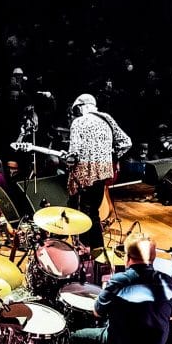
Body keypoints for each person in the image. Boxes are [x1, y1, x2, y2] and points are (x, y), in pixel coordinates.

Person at [70, 233, 172, 344]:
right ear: (153, 257)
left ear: (127, 257)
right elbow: (171, 314)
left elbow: (97, 312)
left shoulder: (119, 280)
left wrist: (106, 291)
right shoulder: (169, 282)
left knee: (73, 337)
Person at [67, 93, 132, 248]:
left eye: (78, 109)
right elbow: (126, 142)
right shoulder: (107, 119)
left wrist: (68, 159)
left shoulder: (78, 122)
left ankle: (85, 255)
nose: (78, 113)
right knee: (94, 213)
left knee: (83, 214)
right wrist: (112, 155)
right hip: (103, 171)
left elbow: (73, 153)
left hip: (85, 173)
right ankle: (98, 253)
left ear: (82, 106)